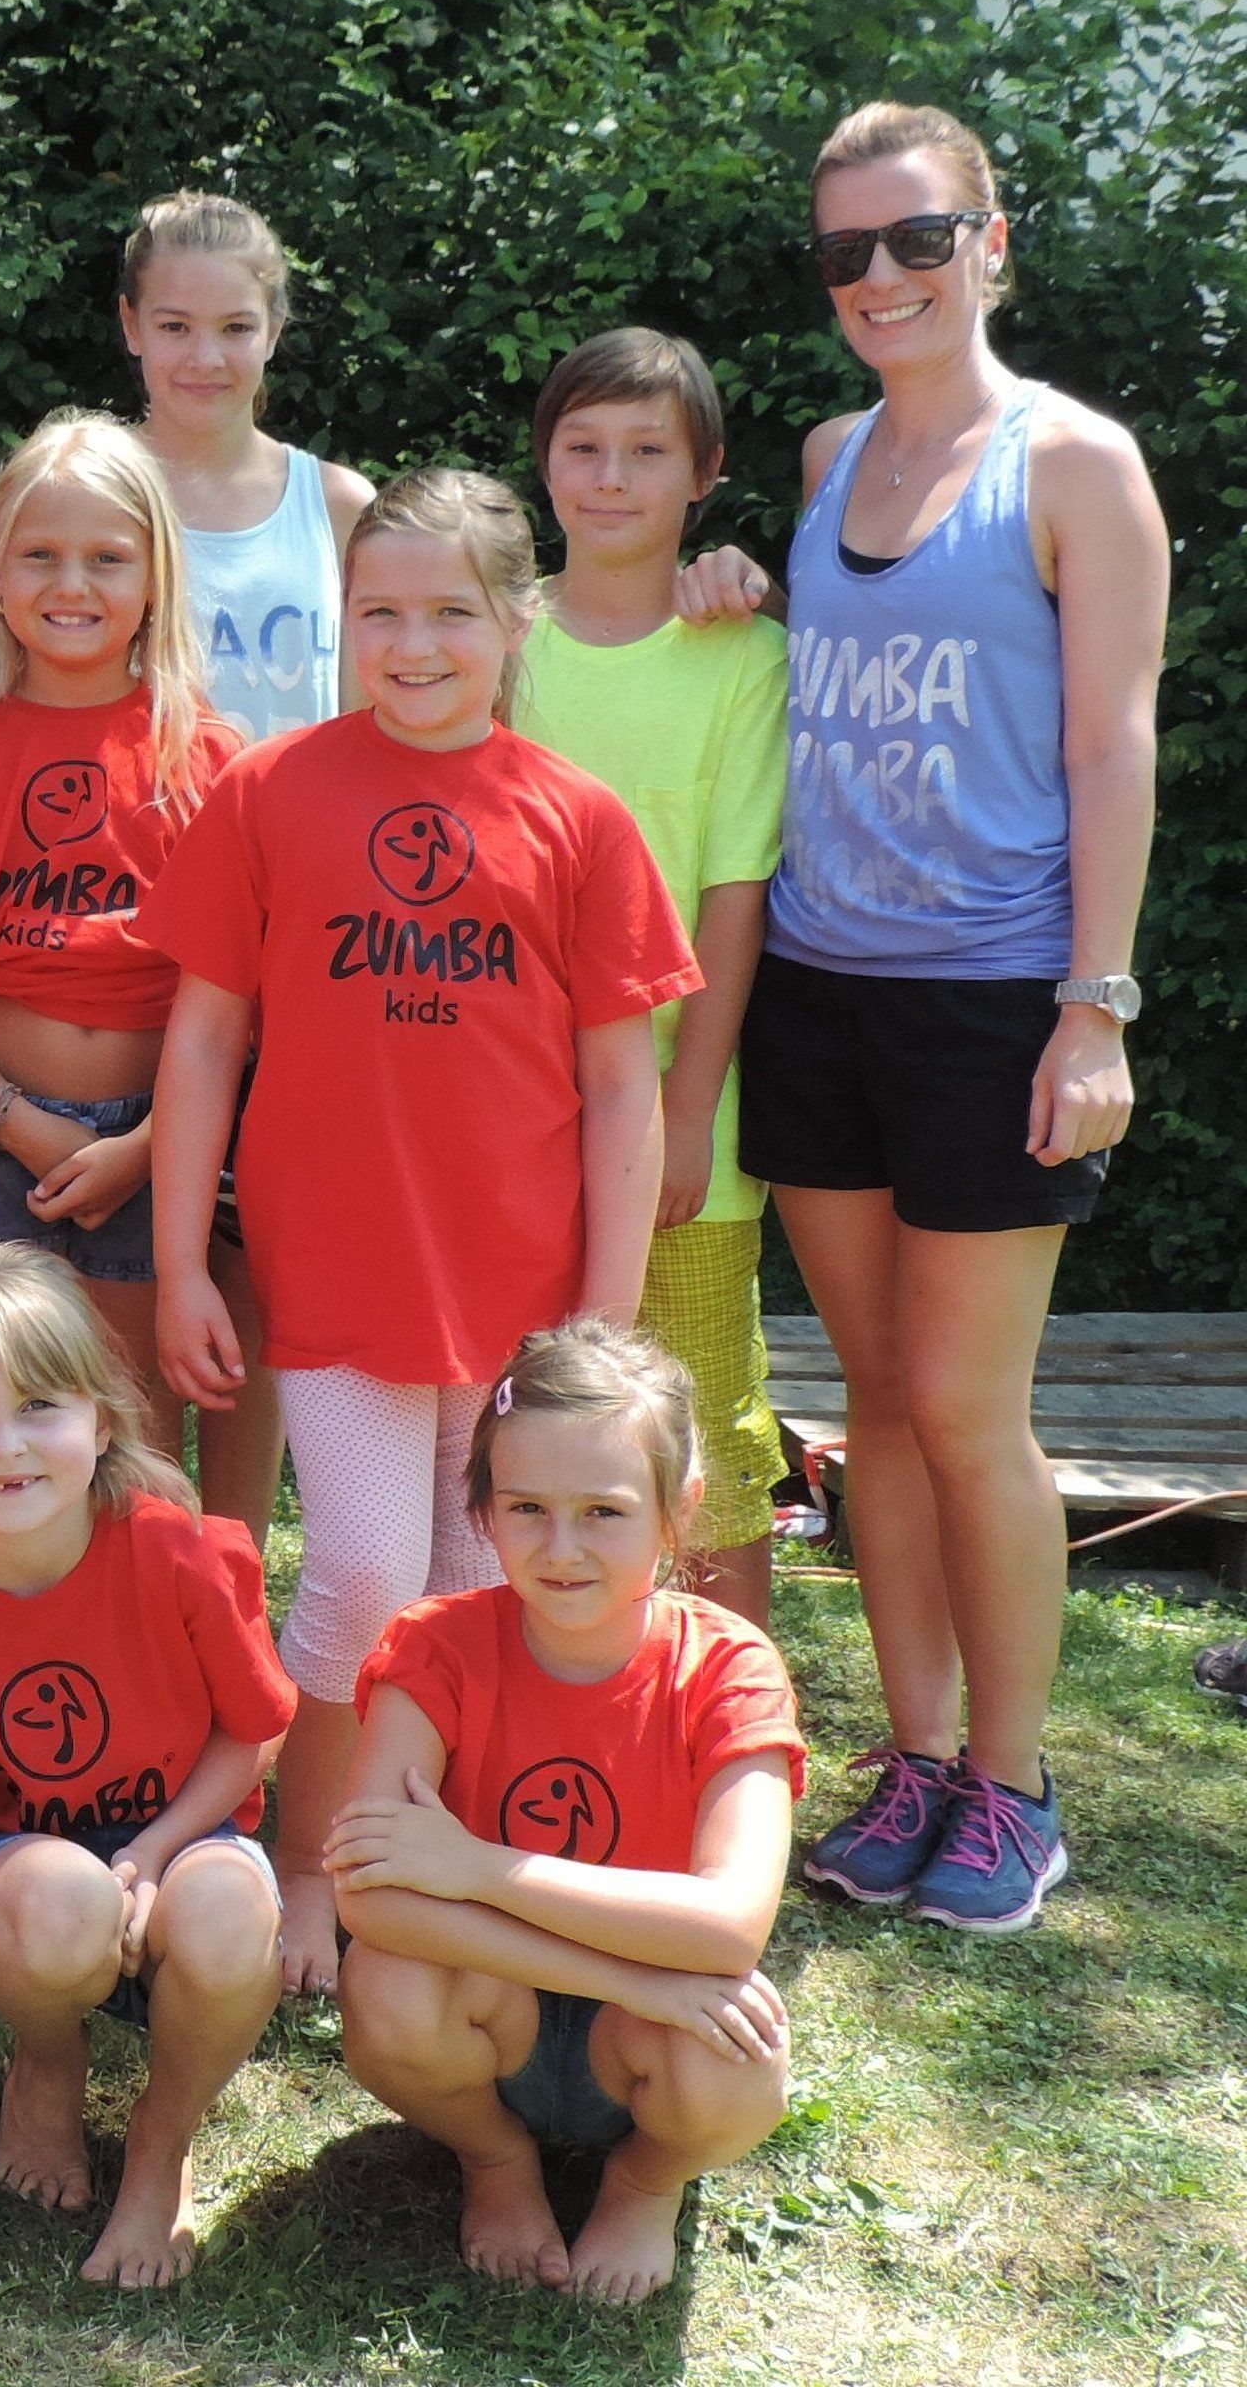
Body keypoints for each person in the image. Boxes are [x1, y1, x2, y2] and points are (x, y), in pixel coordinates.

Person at [148, 469, 701, 1996]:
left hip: (524, 1294)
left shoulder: (577, 819)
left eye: (449, 611)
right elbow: (202, 1042)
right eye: (379, 612)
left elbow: (617, 1086)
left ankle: (437, 1873)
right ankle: (309, 1865)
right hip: (339, 1275)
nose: (412, 644)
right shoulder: (273, 793)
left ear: (513, 621)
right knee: (366, 1576)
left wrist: (601, 1327)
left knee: (477, 1589)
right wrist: (189, 1255)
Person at [725, 103, 1166, 1933]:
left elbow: (1109, 744)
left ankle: (1016, 1785)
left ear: (994, 241)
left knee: (975, 1415)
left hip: (998, 1004)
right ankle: (914, 1760)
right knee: (879, 1409)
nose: (882, 279)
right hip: (820, 992)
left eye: (918, 240)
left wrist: (1097, 1008)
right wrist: (724, 587)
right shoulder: (831, 458)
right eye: (848, 255)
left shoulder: (1078, 467)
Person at [0, 1249, 291, 2288]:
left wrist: (159, 1850)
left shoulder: (176, 1554)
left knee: (229, 1917)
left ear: (102, 1419)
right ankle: (48, 2055)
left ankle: (160, 2146)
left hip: (186, 1837)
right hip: (19, 1887)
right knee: (63, 1899)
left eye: (36, 1403)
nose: (5, 1445)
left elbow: (249, 1734)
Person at [332, 1317, 804, 2307]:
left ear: (678, 1512)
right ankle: (493, 2159)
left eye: (602, 1511)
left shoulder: (726, 1668)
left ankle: (642, 2178)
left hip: (642, 2036)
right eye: (526, 1507)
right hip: (494, 2007)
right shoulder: (433, 1648)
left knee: (737, 2063)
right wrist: (630, 1972)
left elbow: (729, 1926)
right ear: (482, 1509)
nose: (560, 1547)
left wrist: (474, 1868)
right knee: (384, 1990)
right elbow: (370, 1902)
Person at [0, 413, 275, 1531]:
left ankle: (134, 1650)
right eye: (40, 556)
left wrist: (145, 1145)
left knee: (129, 1417)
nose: (74, 583)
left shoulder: (207, 757)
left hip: (159, 1142)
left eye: (107, 557)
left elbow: (243, 1001)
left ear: (155, 575)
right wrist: (16, 1122)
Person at [513, 327, 787, 1631]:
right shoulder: (495, 643)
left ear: (705, 474)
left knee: (700, 1445)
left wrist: (689, 1101)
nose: (611, 478)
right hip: (504, 1118)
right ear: (544, 462)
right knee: (528, 1431)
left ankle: (724, 1727)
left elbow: (737, 898)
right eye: (584, 448)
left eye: (646, 452)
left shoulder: (744, 658)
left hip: (689, 1126)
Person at [117, 192, 371, 747]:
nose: (205, 358)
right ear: (132, 325)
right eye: (175, 327)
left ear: (273, 330)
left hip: (297, 831)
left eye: (236, 328)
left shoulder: (338, 507)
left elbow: (369, 727)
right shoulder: (84, 496)